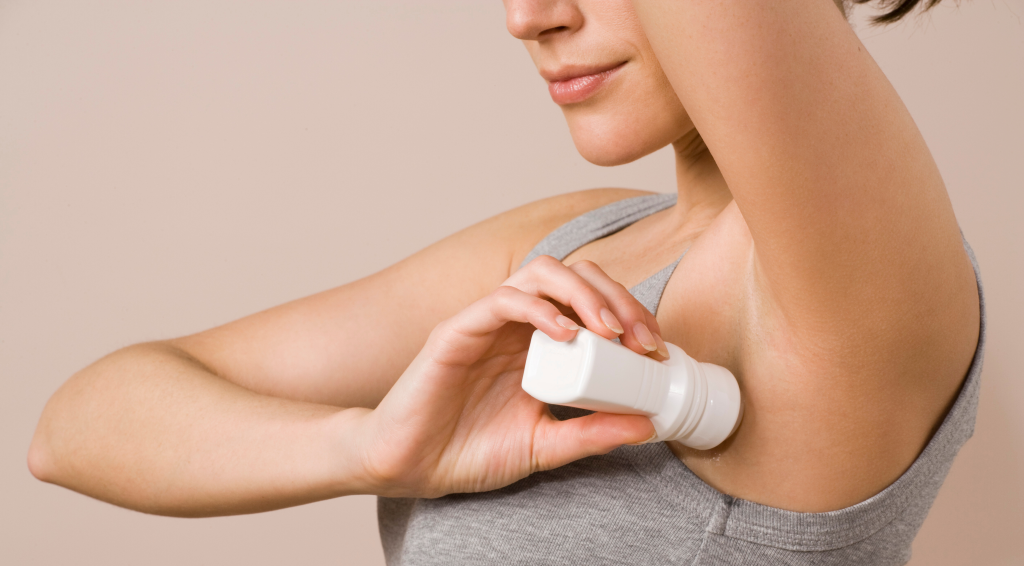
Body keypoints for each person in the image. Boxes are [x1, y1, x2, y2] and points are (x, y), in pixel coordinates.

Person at [29, 0, 984, 564]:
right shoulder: (571, 244)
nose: (528, 16)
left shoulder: (854, 281)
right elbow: (74, 430)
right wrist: (369, 448)